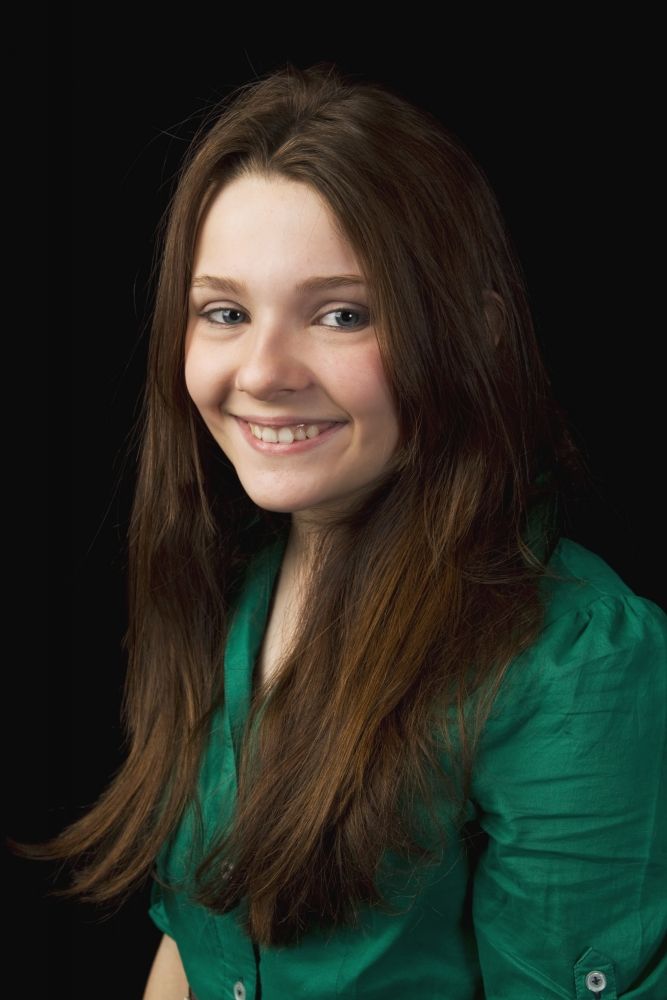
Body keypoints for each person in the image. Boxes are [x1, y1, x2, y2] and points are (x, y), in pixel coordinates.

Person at [9, 61, 666, 999]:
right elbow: (194, 950)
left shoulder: (578, 667)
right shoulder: (228, 582)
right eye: (225, 312)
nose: (262, 372)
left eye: (341, 314)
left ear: (477, 333)